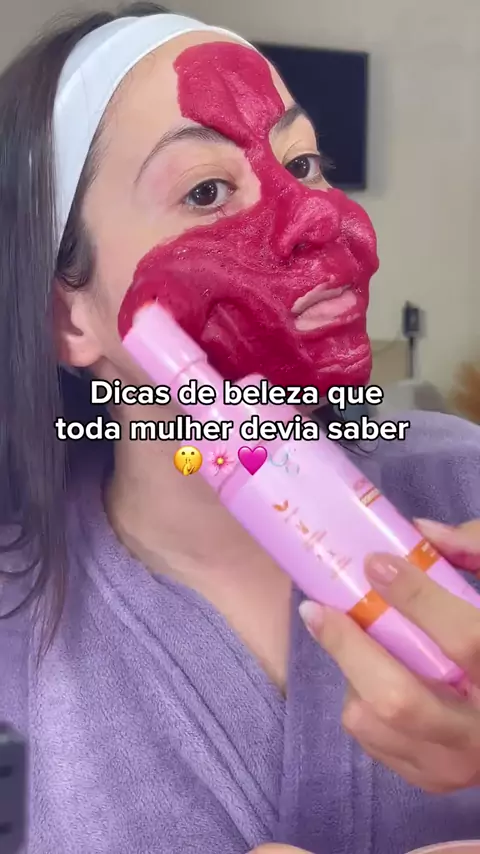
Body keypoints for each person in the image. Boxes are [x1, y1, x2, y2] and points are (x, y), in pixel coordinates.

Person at [1, 4, 480, 853]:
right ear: (68, 318)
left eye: (305, 164)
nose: (318, 217)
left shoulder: (464, 480)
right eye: (206, 191)